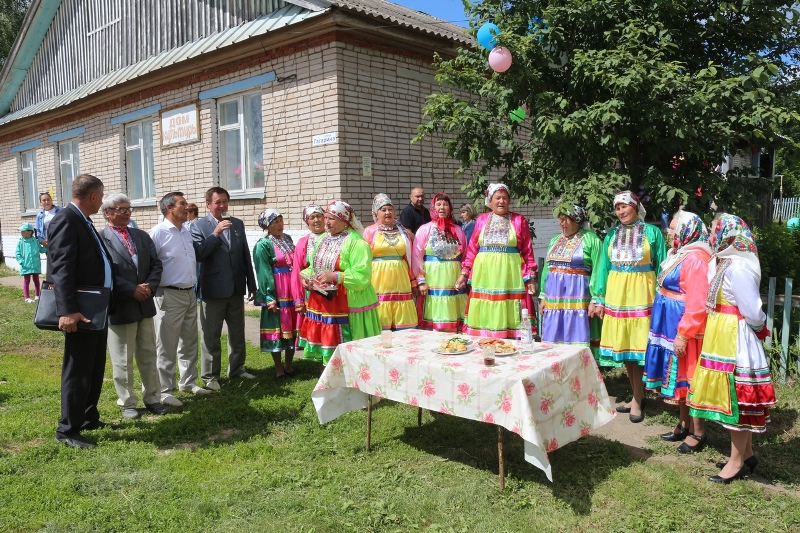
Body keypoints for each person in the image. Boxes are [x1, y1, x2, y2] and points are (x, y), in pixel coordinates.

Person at [688, 214, 777, 484]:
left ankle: (736, 462)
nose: (712, 235)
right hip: (722, 335)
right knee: (734, 399)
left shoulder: (738, 266)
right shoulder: (725, 262)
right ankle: (746, 452)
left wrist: (758, 326)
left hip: (734, 338)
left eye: (716, 230)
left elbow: (752, 309)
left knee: (737, 399)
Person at [47, 174, 114, 448]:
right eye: (102, 197)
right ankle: (68, 430)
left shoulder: (83, 219)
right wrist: (68, 310)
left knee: (94, 364)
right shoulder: (66, 218)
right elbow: (61, 268)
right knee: (78, 368)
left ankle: (88, 417)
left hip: (96, 307)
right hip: (80, 310)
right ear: (94, 197)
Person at [593, 191, 666, 423]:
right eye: (617, 208)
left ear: (636, 207)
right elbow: (603, 269)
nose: (621, 212)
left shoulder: (653, 232)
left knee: (640, 347)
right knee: (626, 346)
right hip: (618, 295)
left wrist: (661, 297)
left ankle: (638, 397)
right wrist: (599, 298)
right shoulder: (611, 235)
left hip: (642, 295)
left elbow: (662, 265)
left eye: (625, 207)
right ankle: (638, 396)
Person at [643, 210, 710, 451]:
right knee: (680, 376)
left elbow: (697, 300)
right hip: (669, 322)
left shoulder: (696, 259)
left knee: (689, 376)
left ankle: (699, 432)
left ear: (686, 230)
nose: (668, 231)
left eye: (672, 227)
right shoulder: (681, 254)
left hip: (682, 324)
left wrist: (685, 332)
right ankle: (683, 424)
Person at [99, 193, 168, 419]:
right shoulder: (100, 239)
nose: (127, 213)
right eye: (121, 209)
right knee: (123, 358)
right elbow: (104, 272)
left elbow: (156, 264)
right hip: (121, 306)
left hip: (145, 304)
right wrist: (131, 289)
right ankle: (127, 401)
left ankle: (152, 398)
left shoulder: (140, 235)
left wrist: (149, 286)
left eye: (129, 209)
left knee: (148, 353)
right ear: (107, 212)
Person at [298, 201, 381, 364]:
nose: (326, 222)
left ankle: (353, 383)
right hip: (325, 301)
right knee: (329, 351)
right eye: (326, 217)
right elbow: (314, 267)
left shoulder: (356, 243)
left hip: (349, 302)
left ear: (344, 221)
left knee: (352, 353)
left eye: (332, 218)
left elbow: (362, 276)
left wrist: (336, 277)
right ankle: (330, 381)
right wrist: (306, 277)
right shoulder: (323, 239)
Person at [192, 187, 258, 389]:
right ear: (208, 204)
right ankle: (210, 376)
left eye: (224, 202)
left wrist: (251, 283)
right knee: (211, 335)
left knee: (237, 332)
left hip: (236, 288)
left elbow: (244, 255)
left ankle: (237, 369)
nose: (222, 206)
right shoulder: (198, 226)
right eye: (217, 202)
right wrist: (216, 233)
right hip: (213, 290)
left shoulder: (237, 223)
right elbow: (200, 254)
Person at [149, 192, 211, 407]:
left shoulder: (186, 231)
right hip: (168, 294)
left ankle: (188, 382)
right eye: (182, 204)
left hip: (189, 293)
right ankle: (164, 390)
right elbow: (149, 265)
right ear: (169, 208)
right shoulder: (157, 233)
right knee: (166, 344)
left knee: (189, 340)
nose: (186, 208)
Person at [455, 183, 537, 338]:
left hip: (510, 275)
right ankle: (486, 343)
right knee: (487, 304)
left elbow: (527, 251)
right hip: (484, 275)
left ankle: (512, 342)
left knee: (511, 305)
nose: (501, 201)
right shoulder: (481, 220)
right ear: (490, 201)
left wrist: (531, 277)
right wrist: (464, 274)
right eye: (497, 198)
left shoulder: (519, 220)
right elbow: (472, 249)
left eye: (505, 198)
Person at [539, 206, 602, 357]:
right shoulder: (555, 240)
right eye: (560, 219)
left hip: (578, 299)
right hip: (555, 299)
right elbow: (548, 270)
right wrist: (543, 296)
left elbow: (599, 270)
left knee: (577, 332)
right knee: (554, 332)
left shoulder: (591, 240)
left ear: (578, 220)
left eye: (567, 219)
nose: (562, 223)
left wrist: (596, 299)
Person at [254, 209, 301, 379]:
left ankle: (289, 365)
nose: (280, 224)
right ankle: (278, 367)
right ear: (267, 226)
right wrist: (269, 295)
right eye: (275, 222)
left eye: (280, 220)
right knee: (277, 326)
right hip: (277, 289)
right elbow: (263, 271)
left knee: (292, 325)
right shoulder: (263, 245)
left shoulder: (287, 239)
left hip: (291, 287)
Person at [411, 192, 468, 332]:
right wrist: (421, 281)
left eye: (445, 204)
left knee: (454, 313)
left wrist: (464, 275)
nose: (442, 207)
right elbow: (417, 256)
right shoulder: (425, 229)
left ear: (450, 208)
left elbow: (465, 254)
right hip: (433, 278)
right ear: (433, 208)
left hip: (453, 278)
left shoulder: (458, 230)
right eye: (438, 204)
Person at [363, 194, 418, 331]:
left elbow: (408, 258)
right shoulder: (369, 231)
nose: (387, 212)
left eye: (390, 209)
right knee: (382, 311)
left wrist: (413, 281)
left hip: (401, 279)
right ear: (376, 212)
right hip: (378, 280)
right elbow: (364, 259)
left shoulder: (402, 231)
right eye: (383, 209)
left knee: (403, 316)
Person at [291, 203, 326, 321]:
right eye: (312, 217)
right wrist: (299, 300)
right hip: (310, 293)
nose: (317, 220)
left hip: (331, 290)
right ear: (307, 222)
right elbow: (297, 270)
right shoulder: (303, 243)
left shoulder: (333, 238)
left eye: (319, 216)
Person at [16, 222, 46, 303]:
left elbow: (41, 250)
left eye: (23, 231)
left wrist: (48, 247)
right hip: (26, 265)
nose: (21, 233)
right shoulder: (20, 242)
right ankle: (27, 297)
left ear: (29, 232)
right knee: (27, 280)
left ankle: (37, 295)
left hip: (35, 264)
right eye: (21, 231)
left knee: (36, 280)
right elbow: (17, 253)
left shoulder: (36, 241)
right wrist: (21, 261)